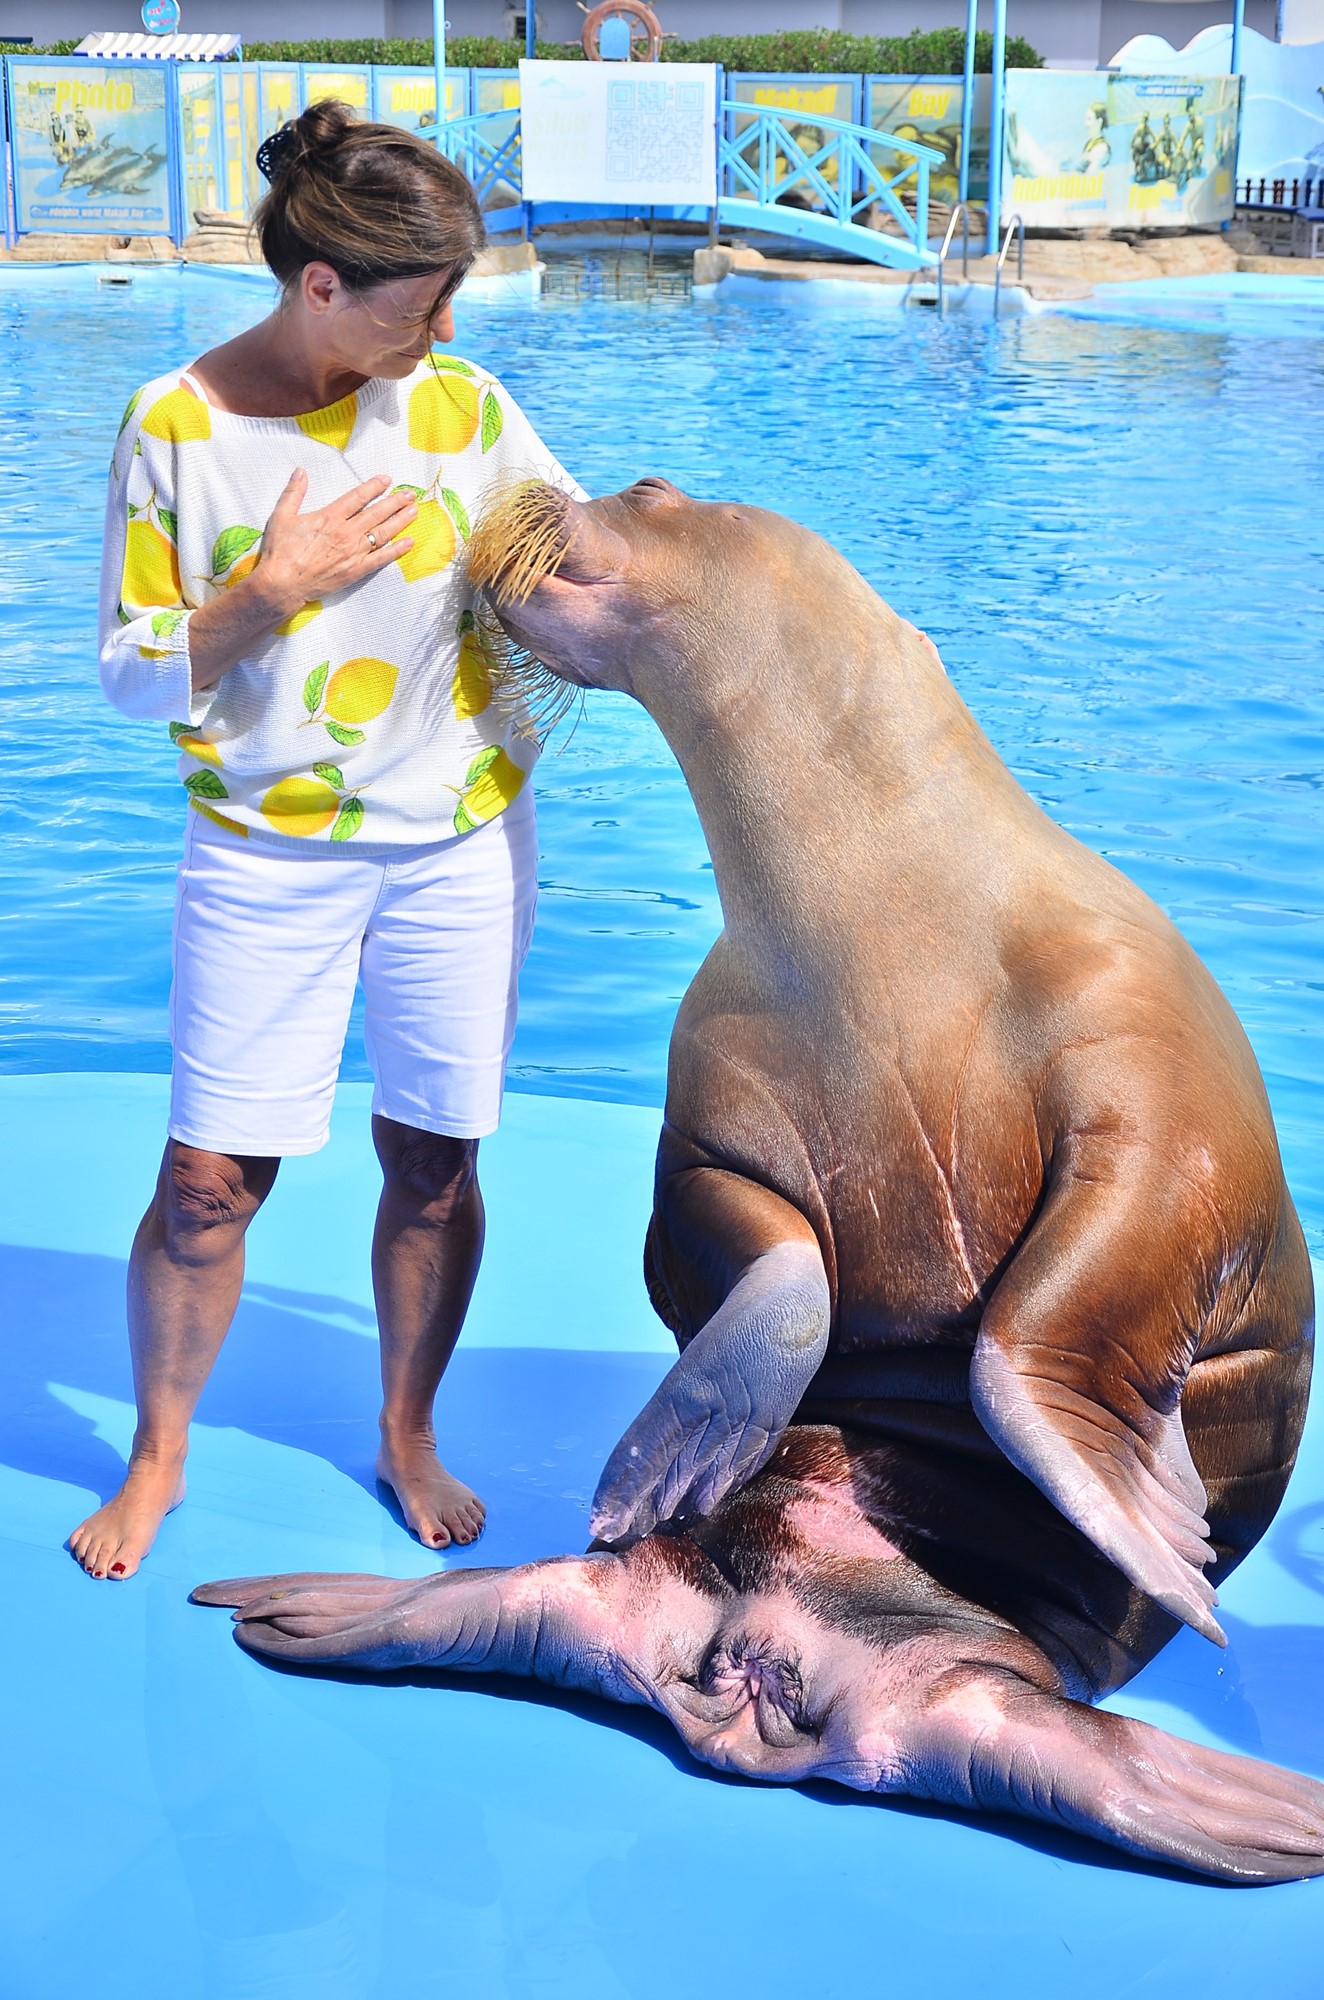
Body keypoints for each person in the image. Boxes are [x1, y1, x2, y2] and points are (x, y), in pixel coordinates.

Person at [71, 101, 580, 1581]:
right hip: (264, 851)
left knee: (434, 1162)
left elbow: (564, 555)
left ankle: (407, 1431)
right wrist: (265, 593)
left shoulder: (462, 405)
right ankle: (158, 1454)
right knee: (207, 1186)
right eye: (422, 303)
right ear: (319, 285)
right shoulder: (178, 425)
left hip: (460, 842)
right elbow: (127, 675)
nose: (445, 328)